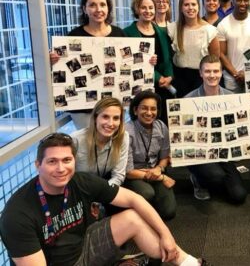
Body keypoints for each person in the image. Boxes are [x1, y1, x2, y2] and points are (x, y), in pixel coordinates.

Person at [0, 133, 206, 266]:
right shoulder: (17, 214)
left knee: (133, 217)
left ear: (74, 160)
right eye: (52, 161)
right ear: (38, 165)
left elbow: (135, 199)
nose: (61, 169)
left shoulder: (80, 181)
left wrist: (166, 235)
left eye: (66, 160)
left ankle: (188, 262)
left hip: (83, 246)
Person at [49, 0, 126, 129]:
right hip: (83, 108)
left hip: (112, 104)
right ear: (84, 9)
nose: (98, 9)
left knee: (112, 145)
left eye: (102, 4)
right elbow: (64, 71)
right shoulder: (73, 36)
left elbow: (128, 66)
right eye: (92, 5)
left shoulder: (119, 34)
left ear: (108, 8)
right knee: (87, 147)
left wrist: (149, 61)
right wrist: (54, 62)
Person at [185, 55, 247, 204]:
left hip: (223, 151)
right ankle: (197, 179)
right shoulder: (187, 101)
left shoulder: (232, 98)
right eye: (207, 71)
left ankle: (215, 175)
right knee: (216, 176)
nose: (212, 75)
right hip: (199, 153)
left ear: (221, 72)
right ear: (200, 73)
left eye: (215, 71)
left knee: (239, 196)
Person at [124, 90, 177, 221]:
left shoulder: (160, 126)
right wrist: (162, 177)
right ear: (135, 110)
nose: (149, 113)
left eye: (153, 109)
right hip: (134, 175)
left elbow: (165, 156)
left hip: (155, 171)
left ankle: (147, 206)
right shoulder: (126, 131)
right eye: (144, 108)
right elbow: (128, 172)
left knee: (169, 212)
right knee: (147, 193)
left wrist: (159, 168)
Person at [124, 0, 174, 116]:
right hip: (141, 86)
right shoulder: (127, 33)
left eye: (151, 8)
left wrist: (170, 77)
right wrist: (157, 77)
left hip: (164, 87)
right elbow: (126, 62)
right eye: (143, 8)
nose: (148, 11)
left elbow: (168, 58)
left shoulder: (162, 32)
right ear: (136, 9)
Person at [168, 0, 220, 97]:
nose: (190, 8)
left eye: (193, 4)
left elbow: (215, 59)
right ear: (181, 8)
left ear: (198, 7)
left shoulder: (209, 30)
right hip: (179, 78)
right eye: (186, 4)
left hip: (201, 78)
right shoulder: (173, 28)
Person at [72, 97, 128, 186]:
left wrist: (102, 193)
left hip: (106, 187)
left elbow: (118, 176)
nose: (110, 124)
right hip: (79, 188)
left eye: (116, 118)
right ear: (95, 118)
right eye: (105, 117)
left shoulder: (123, 137)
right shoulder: (76, 139)